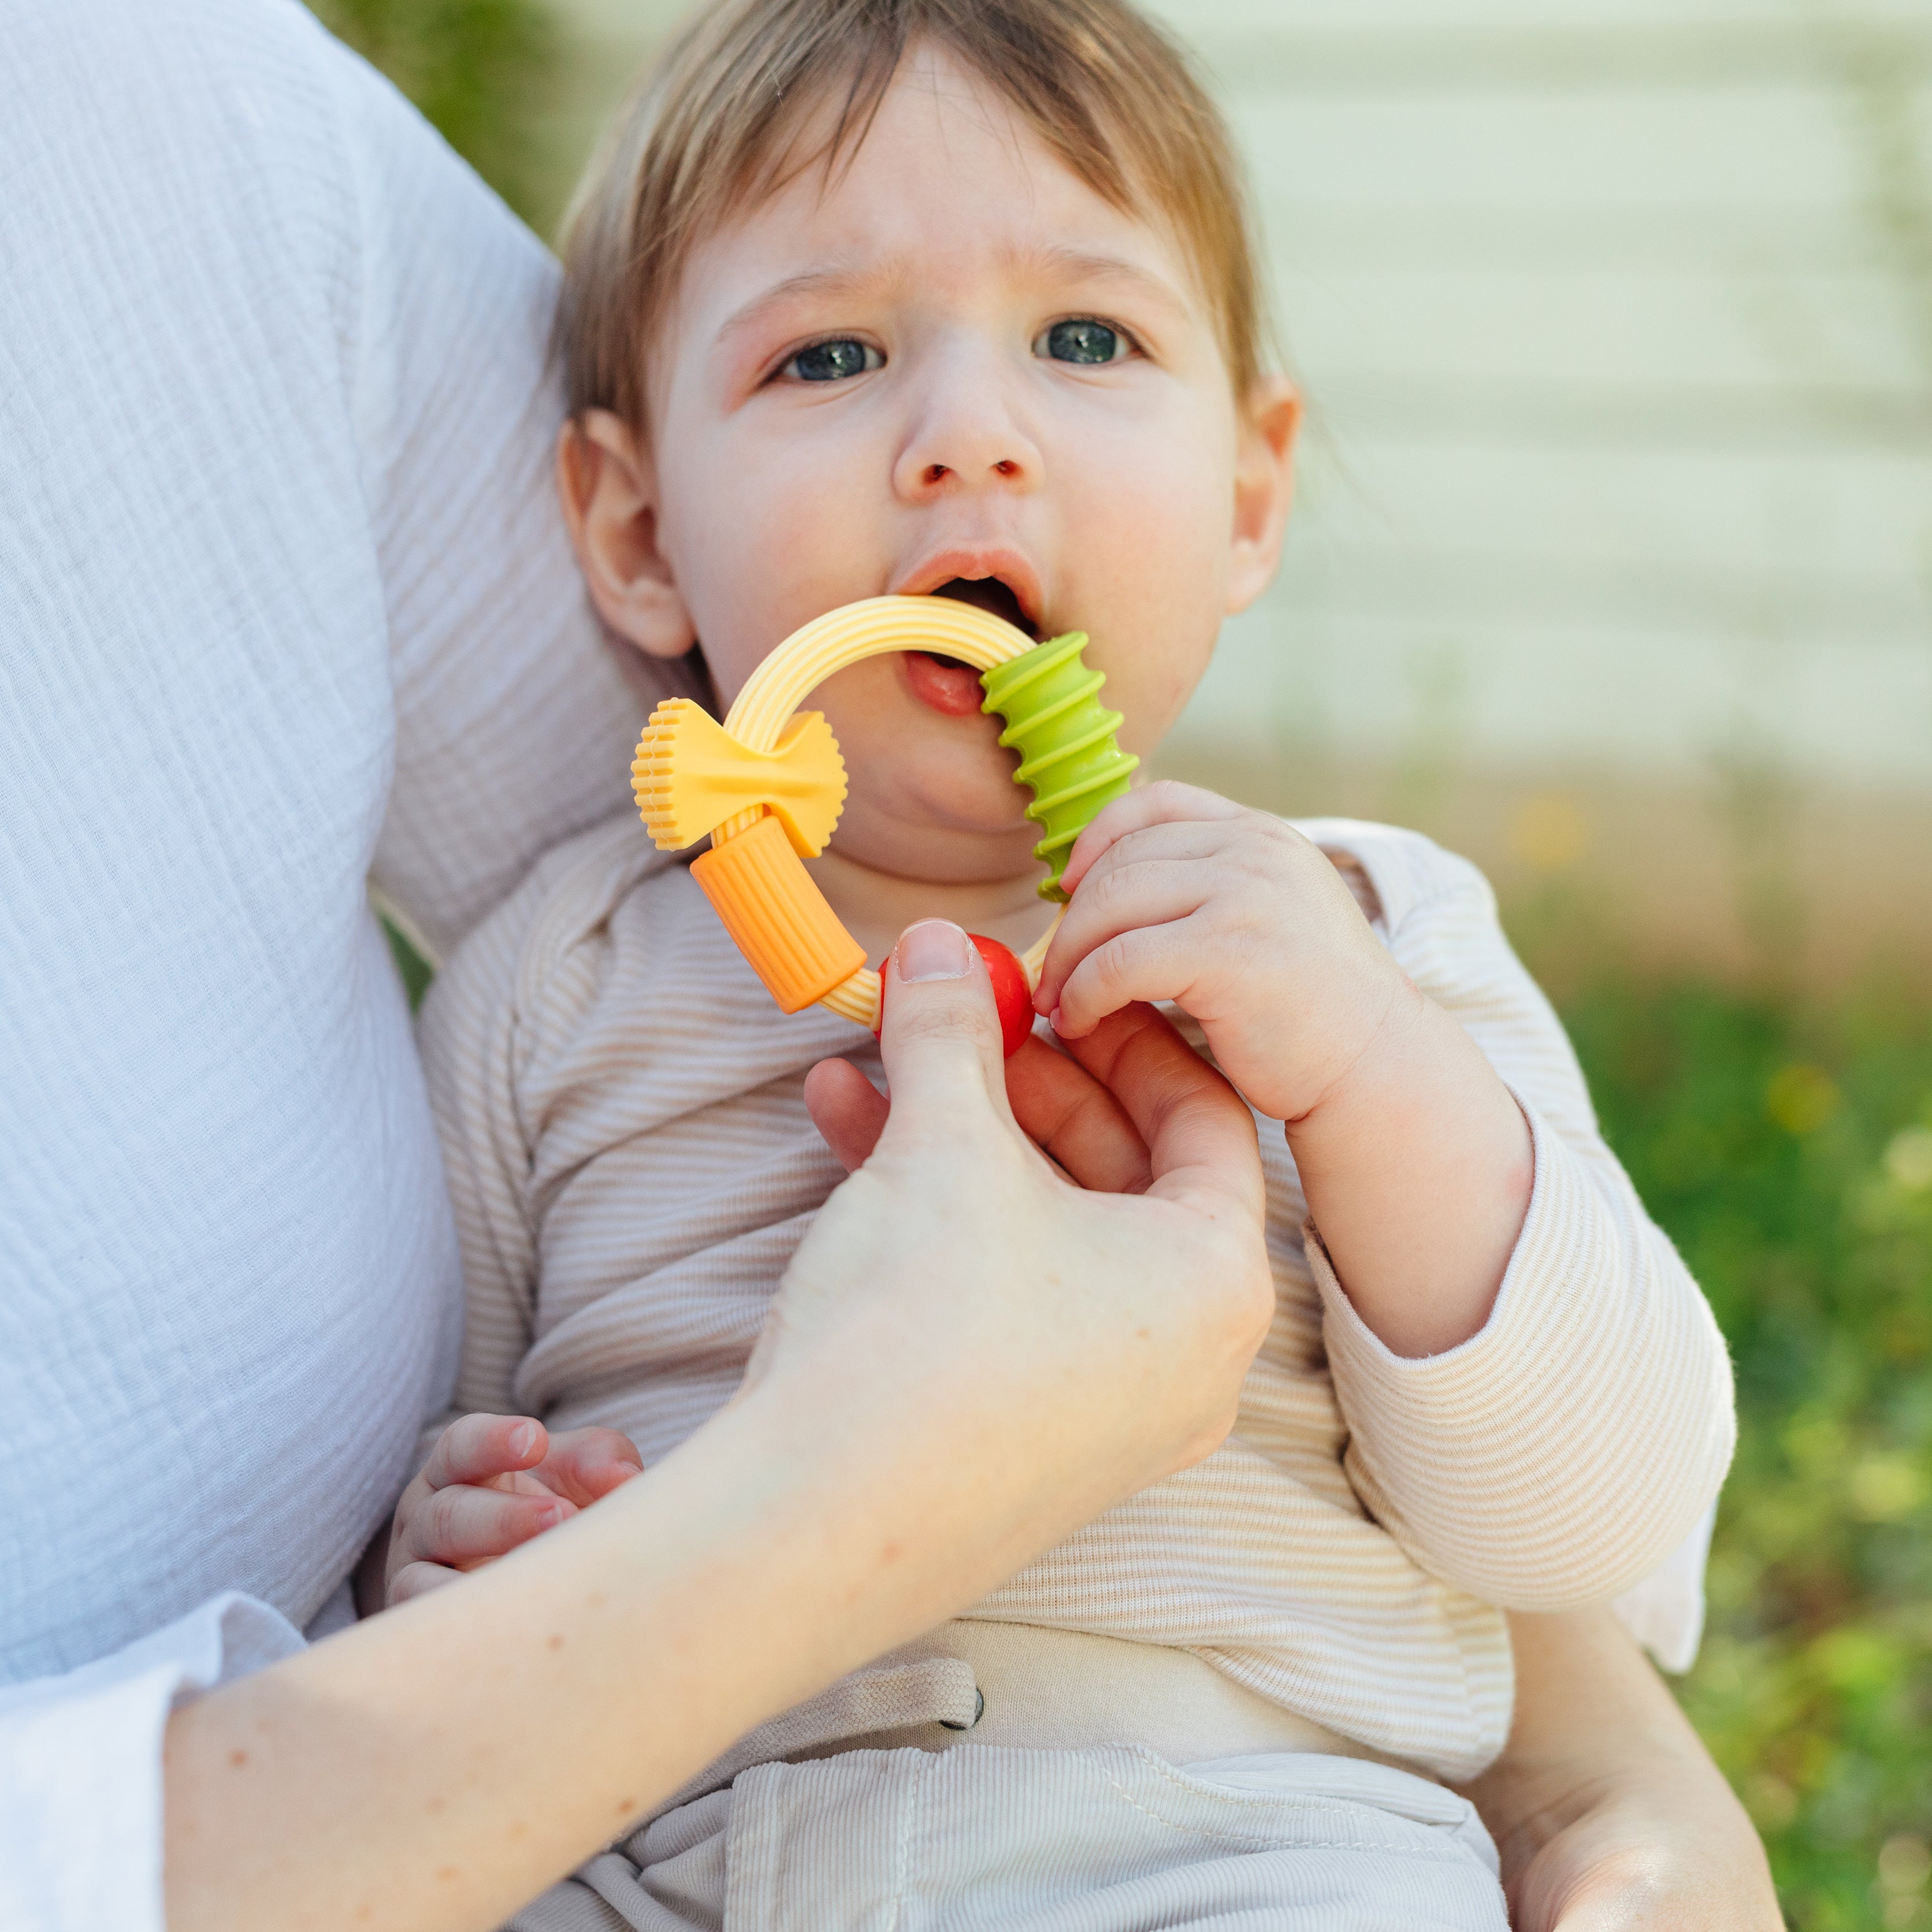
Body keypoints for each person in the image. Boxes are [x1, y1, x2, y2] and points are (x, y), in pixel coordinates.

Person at [0, 1, 1775, 1927]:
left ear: (1251, 496)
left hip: (1249, 1845)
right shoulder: (550, 984)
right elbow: (441, 1454)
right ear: (633, 530)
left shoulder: (1364, 938)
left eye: (1086, 340)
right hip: (677, 1859)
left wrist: (1374, 1082)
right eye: (829, 355)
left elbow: (1605, 1508)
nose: (968, 437)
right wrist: (452, 1553)